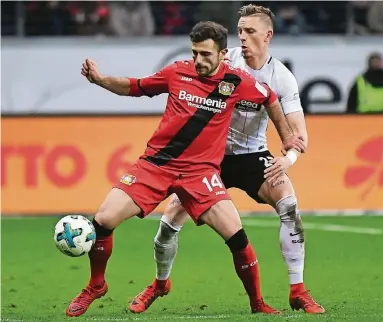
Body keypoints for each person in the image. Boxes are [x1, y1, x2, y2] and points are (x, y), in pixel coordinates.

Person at [66, 21, 305, 317]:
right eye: (195, 53)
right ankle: (96, 285)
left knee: (237, 237)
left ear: (221, 54)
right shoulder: (177, 71)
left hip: (200, 174)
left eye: (206, 54)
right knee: (103, 220)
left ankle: (257, 302)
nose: (199, 60)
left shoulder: (237, 80)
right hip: (156, 165)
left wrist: (286, 136)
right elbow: (136, 87)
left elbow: (269, 97)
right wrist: (101, 80)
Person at [132, 4, 325, 315]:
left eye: (250, 32)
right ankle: (159, 283)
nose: (243, 38)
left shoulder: (283, 79)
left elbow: (299, 133)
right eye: (240, 32)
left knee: (290, 207)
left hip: (253, 156)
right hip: (208, 158)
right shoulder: (223, 58)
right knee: (168, 224)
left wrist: (288, 159)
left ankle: (298, 290)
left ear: (268, 35)